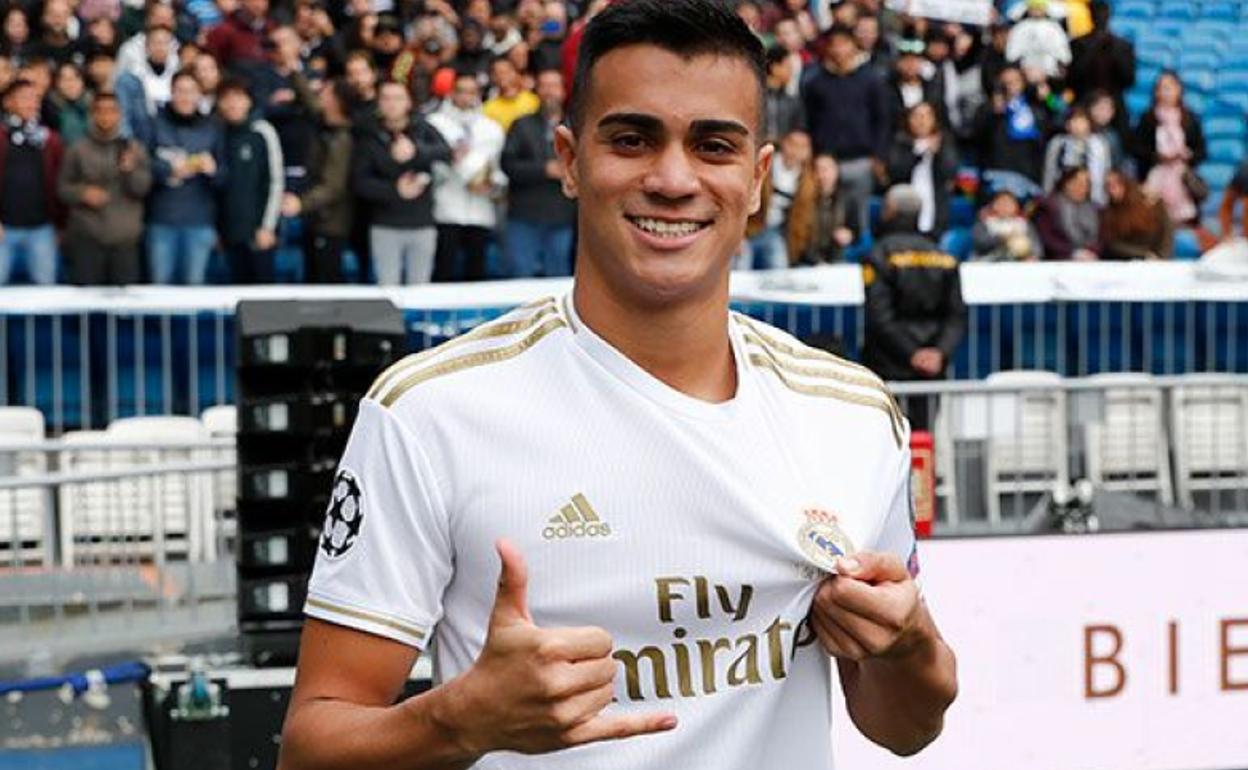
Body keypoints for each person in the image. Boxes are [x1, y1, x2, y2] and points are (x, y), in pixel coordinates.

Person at [278, 3, 957, 770]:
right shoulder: (429, 414)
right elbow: (309, 750)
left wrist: (909, 644)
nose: (672, 179)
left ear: (759, 178)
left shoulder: (853, 416)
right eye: (631, 140)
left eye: (713, 145)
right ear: (568, 159)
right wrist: (458, 721)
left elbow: (906, 728)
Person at [863, 184, 966, 431]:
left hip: (890, 364)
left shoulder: (878, 255)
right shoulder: (944, 255)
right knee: (924, 440)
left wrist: (912, 353)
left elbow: (879, 316)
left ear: (889, 211)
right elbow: (956, 315)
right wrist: (938, 352)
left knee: (890, 441)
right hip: (931, 369)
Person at [350, 79, 450, 285]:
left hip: (422, 224)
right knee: (388, 291)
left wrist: (416, 152)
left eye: (398, 98)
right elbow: (359, 182)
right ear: (379, 103)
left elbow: (445, 152)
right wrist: (395, 190)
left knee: (420, 291)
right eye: (386, 98)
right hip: (385, 224)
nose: (392, 104)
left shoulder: (423, 128)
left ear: (408, 102)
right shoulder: (368, 136)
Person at [801, 24, 888, 236]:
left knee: (859, 219)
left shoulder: (871, 78)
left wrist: (878, 155)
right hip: (825, 161)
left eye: (844, 44)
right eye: (834, 45)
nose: (839, 49)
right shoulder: (815, 81)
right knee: (823, 215)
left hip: (860, 159)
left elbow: (883, 118)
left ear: (853, 46)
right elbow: (808, 120)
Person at [56, 91, 150, 284]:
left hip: (124, 241)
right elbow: (62, 188)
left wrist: (130, 171)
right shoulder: (77, 149)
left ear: (119, 115)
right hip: (87, 239)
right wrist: (82, 193)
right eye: (100, 111)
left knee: (124, 307)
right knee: (85, 306)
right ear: (92, 114)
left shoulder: (134, 149)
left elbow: (143, 189)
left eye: (111, 111)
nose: (106, 116)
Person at [145, 70, 224, 285]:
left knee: (194, 289)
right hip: (162, 220)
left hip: (199, 222)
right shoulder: (155, 124)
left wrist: (212, 169)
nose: (185, 97)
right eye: (179, 91)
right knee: (159, 287)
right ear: (171, 93)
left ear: (199, 94)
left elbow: (225, 178)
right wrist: (168, 170)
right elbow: (142, 165)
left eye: (190, 91)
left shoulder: (213, 128)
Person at [427, 70, 505, 281]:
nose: (466, 97)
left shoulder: (492, 128)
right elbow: (428, 167)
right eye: (461, 91)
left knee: (476, 276)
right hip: (445, 210)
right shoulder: (434, 124)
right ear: (451, 93)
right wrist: (462, 169)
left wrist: (491, 185)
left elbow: (497, 171)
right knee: (443, 272)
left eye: (472, 92)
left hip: (479, 212)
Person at [500, 66, 575, 278]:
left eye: (554, 86)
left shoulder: (576, 126)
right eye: (544, 86)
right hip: (524, 216)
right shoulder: (521, 124)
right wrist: (544, 169)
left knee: (559, 280)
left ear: (563, 91)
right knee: (520, 280)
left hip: (562, 215)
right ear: (537, 91)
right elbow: (507, 164)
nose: (549, 91)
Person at [283, 78, 354, 283]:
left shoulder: (341, 140)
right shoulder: (326, 127)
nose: (320, 95)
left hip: (330, 224)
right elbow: (311, 104)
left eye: (326, 92)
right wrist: (294, 71)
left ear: (336, 102)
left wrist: (301, 204)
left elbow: (333, 186)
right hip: (317, 220)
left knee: (326, 283)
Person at [217, 78, 283, 283]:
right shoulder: (217, 134)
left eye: (237, 97)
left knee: (263, 302)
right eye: (226, 98)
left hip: (259, 233)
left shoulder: (262, 131)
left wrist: (268, 227)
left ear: (248, 101)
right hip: (229, 234)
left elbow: (275, 181)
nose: (232, 103)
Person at [0, 77, 63, 284]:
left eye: (35, 98)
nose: (32, 103)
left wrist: (60, 225)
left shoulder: (50, 140)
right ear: (8, 102)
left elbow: (59, 183)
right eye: (24, 98)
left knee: (46, 295)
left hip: (42, 228)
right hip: (3, 228)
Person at [1134, 71, 1207, 229]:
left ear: (1179, 90)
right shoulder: (1148, 118)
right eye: (1162, 88)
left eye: (1170, 88)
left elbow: (1201, 150)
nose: (1166, 93)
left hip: (1183, 180)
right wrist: (1157, 157)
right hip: (1154, 179)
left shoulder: (1190, 118)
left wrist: (1188, 155)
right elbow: (1137, 149)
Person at [886, 102, 957, 236]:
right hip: (904, 210)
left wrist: (938, 154)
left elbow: (950, 171)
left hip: (935, 205)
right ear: (909, 120)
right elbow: (896, 172)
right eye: (916, 116)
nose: (921, 121)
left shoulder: (944, 141)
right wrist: (917, 154)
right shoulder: (899, 142)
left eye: (926, 116)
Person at [744, 127, 812, 269]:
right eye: (793, 144)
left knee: (780, 268)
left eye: (802, 147)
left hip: (775, 232)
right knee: (740, 266)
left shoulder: (807, 181)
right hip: (748, 230)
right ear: (784, 144)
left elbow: (803, 219)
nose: (796, 150)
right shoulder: (764, 165)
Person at [1068, 1, 1134, 119]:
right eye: (1097, 13)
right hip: (1084, 104)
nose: (1100, 17)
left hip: (1115, 107)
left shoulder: (1122, 46)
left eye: (1103, 13)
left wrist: (1113, 50)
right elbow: (1072, 79)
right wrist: (1092, 49)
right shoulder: (1078, 44)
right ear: (1090, 15)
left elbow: (1128, 80)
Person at [791, 152, 858, 264]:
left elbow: (858, 230)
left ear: (836, 171)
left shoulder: (848, 198)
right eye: (818, 170)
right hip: (807, 260)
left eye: (827, 169)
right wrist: (817, 262)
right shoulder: (803, 200)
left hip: (837, 257)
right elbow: (798, 238)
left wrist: (850, 235)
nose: (822, 175)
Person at [1042, 106, 1110, 205]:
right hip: (1061, 195)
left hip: (1090, 197)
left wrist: (1098, 198)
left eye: (1080, 121)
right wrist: (1047, 195)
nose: (1076, 125)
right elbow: (1049, 171)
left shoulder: (1098, 144)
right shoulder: (1057, 143)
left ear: (1089, 123)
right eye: (1072, 121)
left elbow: (1102, 172)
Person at [1101, 168, 1173, 260]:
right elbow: (1112, 244)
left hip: (1156, 257)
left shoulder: (1150, 202)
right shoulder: (1109, 213)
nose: (1112, 189)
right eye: (1108, 186)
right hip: (1127, 260)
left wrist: (1162, 256)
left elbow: (1166, 231)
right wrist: (1143, 255)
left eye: (1116, 184)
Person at [1034, 166, 1101, 260]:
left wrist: (1091, 251)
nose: (1081, 187)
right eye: (1077, 183)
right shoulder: (1049, 206)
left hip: (1090, 259)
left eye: (1086, 184)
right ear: (1065, 183)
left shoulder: (1093, 209)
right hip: (1059, 260)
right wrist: (1073, 253)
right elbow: (1047, 239)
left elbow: (1099, 238)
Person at [1005, 0, 1070, 82]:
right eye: (1034, 7)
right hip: (1025, 75)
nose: (1036, 10)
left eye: (1039, 7)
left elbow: (1064, 57)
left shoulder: (1054, 28)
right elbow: (1012, 56)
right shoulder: (1019, 29)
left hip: (1051, 76)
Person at [970, 188, 1042, 261]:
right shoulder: (984, 223)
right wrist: (1002, 238)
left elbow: (1036, 247)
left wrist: (1032, 256)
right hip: (990, 262)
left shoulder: (1025, 224)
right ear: (994, 205)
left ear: (1016, 206)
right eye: (1001, 203)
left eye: (1009, 203)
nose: (1005, 207)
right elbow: (981, 243)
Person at [483, 55, 539, 132]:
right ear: (492, 78)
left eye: (506, 72)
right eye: (497, 73)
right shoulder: (488, 108)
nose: (502, 76)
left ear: (516, 73)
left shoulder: (533, 100)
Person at [762, 44, 805, 144]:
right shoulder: (755, 98)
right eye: (788, 67)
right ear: (774, 67)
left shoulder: (793, 100)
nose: (791, 71)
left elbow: (799, 130)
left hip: (786, 154)